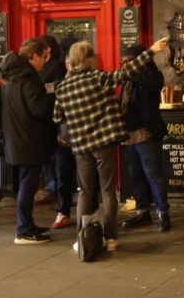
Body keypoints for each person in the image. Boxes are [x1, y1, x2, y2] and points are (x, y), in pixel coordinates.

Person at [54, 37, 168, 253]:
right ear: (88, 60)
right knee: (107, 190)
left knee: (85, 192)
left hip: (80, 146)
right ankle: (111, 237)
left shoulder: (63, 87)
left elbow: (57, 116)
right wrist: (152, 50)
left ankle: (82, 236)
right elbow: (127, 71)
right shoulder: (98, 78)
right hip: (103, 143)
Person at [0, 38, 55, 243]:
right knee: (28, 185)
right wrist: (52, 96)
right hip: (28, 140)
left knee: (27, 183)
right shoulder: (28, 78)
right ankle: (23, 229)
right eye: (44, 57)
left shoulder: (11, 77)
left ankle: (27, 224)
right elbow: (38, 108)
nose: (45, 62)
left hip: (17, 138)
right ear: (34, 56)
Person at [119, 43, 170, 233]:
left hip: (146, 132)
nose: (124, 65)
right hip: (128, 133)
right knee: (135, 174)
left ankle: (163, 213)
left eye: (128, 61)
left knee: (153, 174)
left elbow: (154, 86)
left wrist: (135, 71)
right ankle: (142, 211)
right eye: (123, 61)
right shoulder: (126, 79)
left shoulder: (151, 74)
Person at [40, 35, 75, 229]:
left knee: (75, 173)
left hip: (74, 134)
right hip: (61, 132)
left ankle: (83, 210)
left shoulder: (55, 70)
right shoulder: (60, 81)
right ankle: (63, 210)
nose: (69, 66)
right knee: (62, 172)